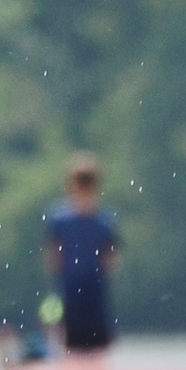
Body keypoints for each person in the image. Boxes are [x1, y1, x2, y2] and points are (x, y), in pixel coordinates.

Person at [45, 152, 120, 354]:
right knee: (75, 340)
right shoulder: (102, 219)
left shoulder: (100, 219)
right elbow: (111, 258)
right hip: (76, 285)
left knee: (91, 340)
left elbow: (53, 256)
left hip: (84, 284)